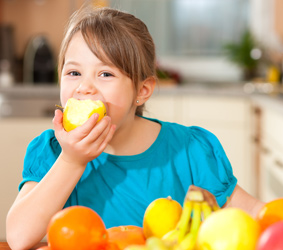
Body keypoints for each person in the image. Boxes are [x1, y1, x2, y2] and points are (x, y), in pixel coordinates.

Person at [6, 6, 264, 250]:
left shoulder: (190, 150)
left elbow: (260, 217)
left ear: (142, 90)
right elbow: (18, 238)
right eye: (74, 73)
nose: (85, 87)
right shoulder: (53, 152)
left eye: (105, 74)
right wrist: (72, 161)